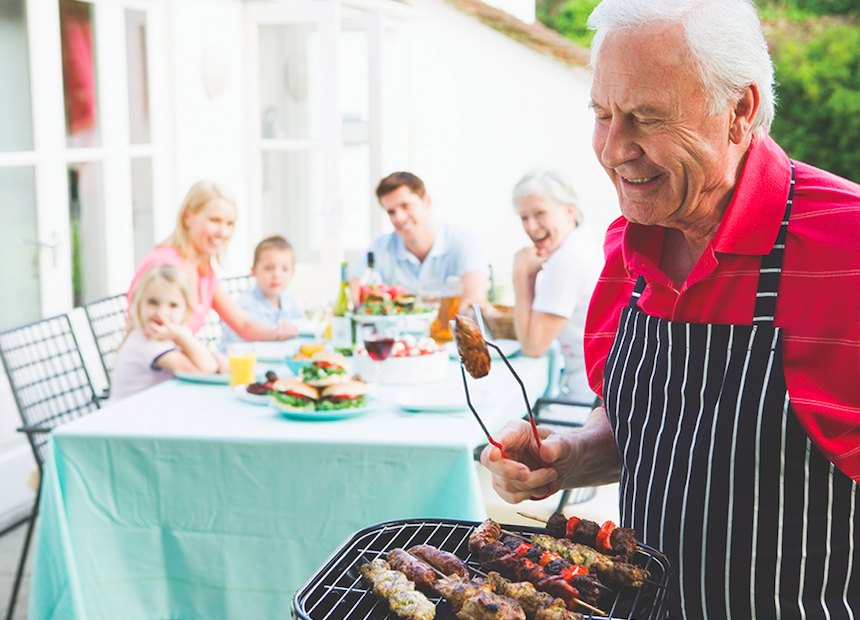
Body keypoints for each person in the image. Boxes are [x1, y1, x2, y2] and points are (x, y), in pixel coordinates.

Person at [480, 1, 860, 618]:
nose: (613, 149)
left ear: (739, 110)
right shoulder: (623, 248)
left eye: (645, 118)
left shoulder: (848, 248)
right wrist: (570, 455)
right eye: (602, 115)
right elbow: (648, 431)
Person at [127, 181, 298, 342]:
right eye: (214, 220)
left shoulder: (204, 271)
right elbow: (147, 336)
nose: (223, 232)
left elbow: (243, 325)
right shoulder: (164, 266)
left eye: (229, 223)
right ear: (187, 218)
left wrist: (280, 332)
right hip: (159, 368)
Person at [511, 168, 603, 405]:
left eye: (539, 213)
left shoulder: (565, 260)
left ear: (569, 210)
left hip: (584, 400)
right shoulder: (583, 244)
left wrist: (522, 276)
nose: (531, 227)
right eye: (524, 218)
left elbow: (532, 346)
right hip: (595, 392)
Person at [349, 172, 489, 311]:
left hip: (449, 332)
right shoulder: (379, 247)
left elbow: (474, 303)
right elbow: (352, 299)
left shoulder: (462, 240)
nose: (399, 218)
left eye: (405, 206)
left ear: (426, 201)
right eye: (391, 212)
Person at [110, 265, 227, 403]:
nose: (161, 313)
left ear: (187, 310)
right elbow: (208, 368)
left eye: (173, 305)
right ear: (139, 303)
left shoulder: (173, 332)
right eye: (152, 302)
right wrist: (178, 335)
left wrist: (218, 357)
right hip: (125, 417)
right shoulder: (149, 342)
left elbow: (207, 358)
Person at [219, 235, 304, 350]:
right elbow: (247, 342)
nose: (277, 275)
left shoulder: (290, 300)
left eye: (285, 269)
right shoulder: (246, 304)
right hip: (238, 361)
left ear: (292, 272)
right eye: (269, 268)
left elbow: (301, 329)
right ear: (254, 271)